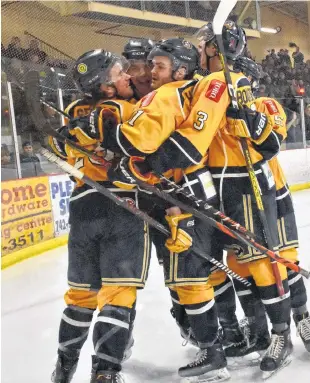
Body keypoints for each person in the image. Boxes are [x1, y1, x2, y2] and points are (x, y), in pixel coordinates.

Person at [79, 38, 230, 382]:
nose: (148, 71)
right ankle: (214, 342)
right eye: (145, 65)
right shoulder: (178, 91)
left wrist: (109, 140)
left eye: (157, 65)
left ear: (179, 68)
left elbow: (138, 140)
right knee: (185, 275)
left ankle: (214, 348)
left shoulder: (167, 94)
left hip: (183, 199)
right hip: (180, 197)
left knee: (189, 277)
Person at [190, 21, 293, 379]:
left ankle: (283, 336)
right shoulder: (213, 84)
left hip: (243, 183)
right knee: (241, 262)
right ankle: (260, 331)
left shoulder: (233, 84)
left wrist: (248, 122)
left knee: (262, 261)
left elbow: (268, 144)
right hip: (221, 186)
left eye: (203, 45)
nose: (197, 51)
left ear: (216, 48)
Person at [49, 49, 150, 383]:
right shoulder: (125, 109)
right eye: (119, 73)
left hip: (82, 206)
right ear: (105, 88)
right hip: (121, 207)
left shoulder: (72, 112)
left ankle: (63, 368)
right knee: (118, 296)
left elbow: (63, 149)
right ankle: (105, 374)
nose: (126, 77)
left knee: (80, 296)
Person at [233, 55, 310, 357]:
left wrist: (245, 115)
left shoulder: (267, 105)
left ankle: (302, 317)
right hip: (237, 198)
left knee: (286, 260)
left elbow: (275, 138)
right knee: (247, 268)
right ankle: (260, 329)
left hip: (273, 194)